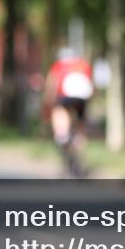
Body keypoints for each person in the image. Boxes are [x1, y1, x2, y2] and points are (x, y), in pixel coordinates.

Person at [44, 48, 94, 177]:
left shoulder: (59, 65)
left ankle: (66, 153)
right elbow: (92, 86)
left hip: (64, 98)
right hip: (82, 100)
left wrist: (49, 102)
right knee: (79, 130)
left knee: (61, 128)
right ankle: (78, 158)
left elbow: (52, 84)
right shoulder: (84, 65)